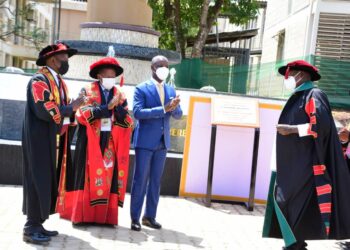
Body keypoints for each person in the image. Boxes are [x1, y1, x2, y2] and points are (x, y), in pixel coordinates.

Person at [262, 60, 350, 249]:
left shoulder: (314, 95)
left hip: (305, 165)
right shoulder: (300, 95)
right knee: (285, 202)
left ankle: (295, 244)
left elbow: (323, 126)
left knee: (286, 201)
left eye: (290, 73)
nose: (288, 78)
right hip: (291, 162)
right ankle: (295, 243)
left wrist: (292, 129)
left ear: (301, 74)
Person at [56, 57, 133, 226]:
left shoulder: (119, 94)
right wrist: (107, 108)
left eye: (113, 76)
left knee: (108, 176)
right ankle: (82, 216)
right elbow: (81, 113)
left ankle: (105, 217)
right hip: (89, 140)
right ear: (99, 76)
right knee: (86, 176)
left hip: (109, 140)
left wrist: (118, 110)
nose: (111, 79)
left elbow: (127, 119)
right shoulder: (87, 90)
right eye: (108, 76)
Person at [22, 43, 84, 245]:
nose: (67, 61)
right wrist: (71, 107)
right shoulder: (39, 80)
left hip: (51, 139)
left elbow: (62, 109)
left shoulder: (58, 81)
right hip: (38, 138)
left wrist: (73, 108)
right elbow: (45, 108)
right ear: (52, 60)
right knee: (36, 180)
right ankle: (30, 228)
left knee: (47, 180)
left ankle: (38, 223)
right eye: (64, 57)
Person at [130, 55, 183, 231]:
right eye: (160, 65)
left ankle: (149, 216)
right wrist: (163, 109)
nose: (164, 69)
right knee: (140, 180)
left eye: (167, 66)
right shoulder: (141, 88)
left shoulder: (170, 89)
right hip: (145, 141)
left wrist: (174, 106)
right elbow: (138, 112)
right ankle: (135, 218)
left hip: (163, 142)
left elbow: (177, 114)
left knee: (155, 182)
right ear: (153, 68)